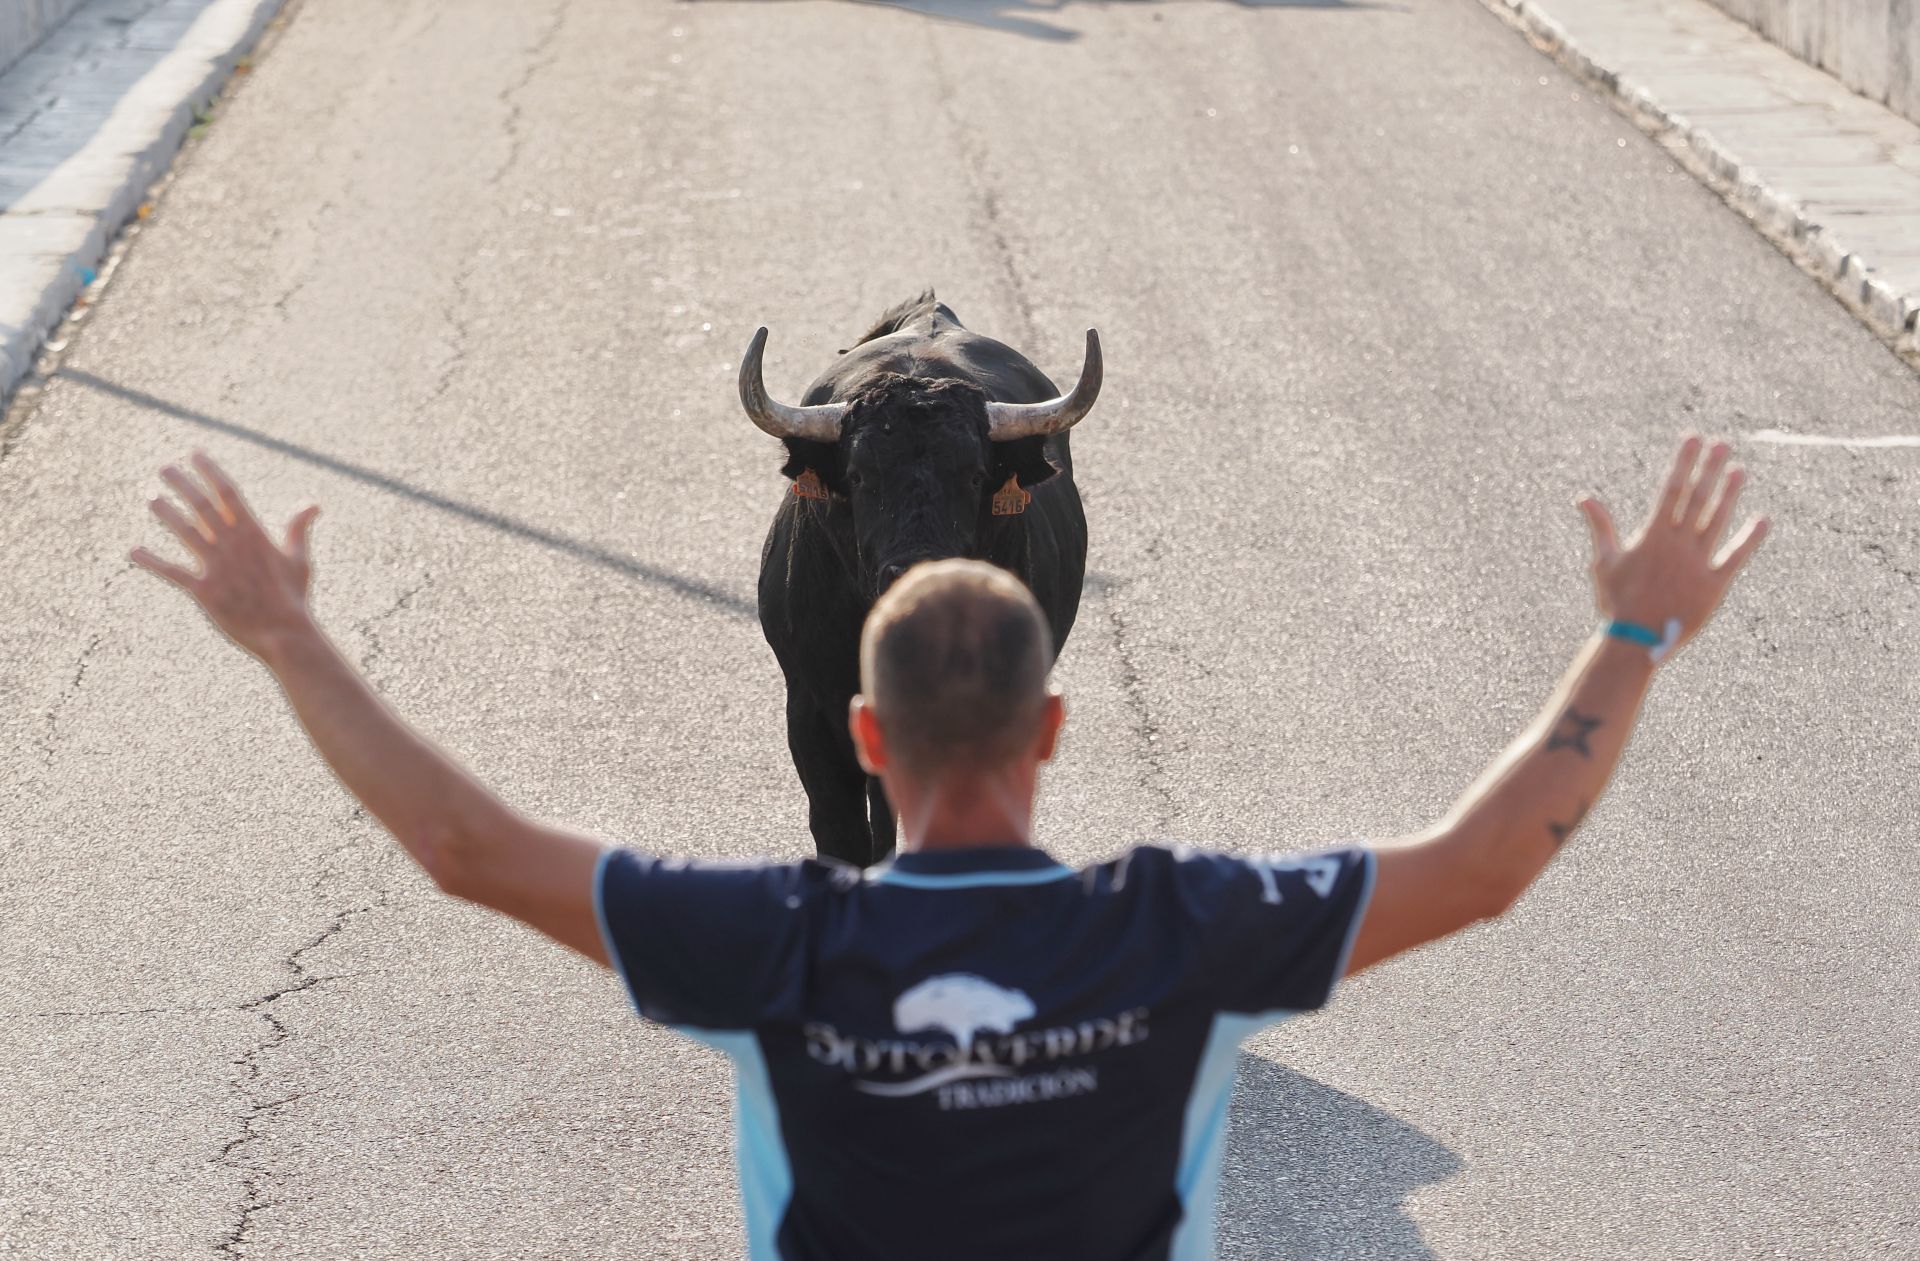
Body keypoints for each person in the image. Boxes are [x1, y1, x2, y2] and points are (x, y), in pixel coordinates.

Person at [131, 437, 1766, 1260]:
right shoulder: (1181, 927)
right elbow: (1487, 864)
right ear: (1052, 731)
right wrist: (1631, 628)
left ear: (861, 735)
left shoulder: (776, 939)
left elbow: (458, 841)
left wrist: (285, 636)